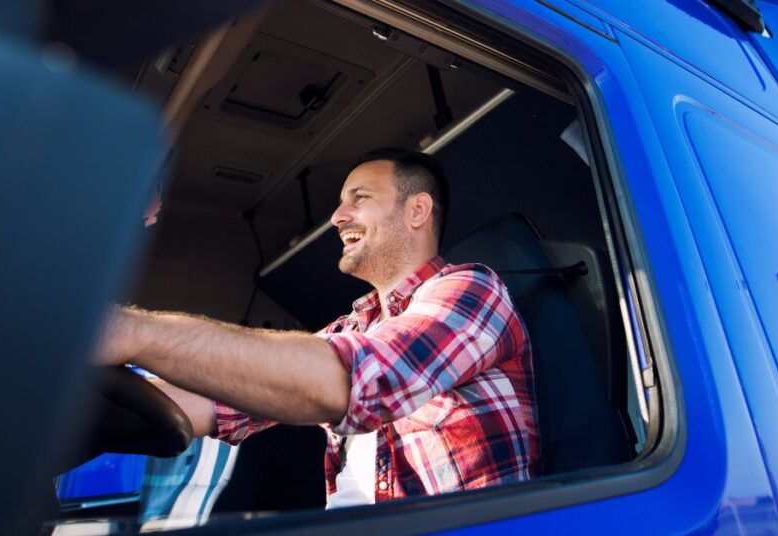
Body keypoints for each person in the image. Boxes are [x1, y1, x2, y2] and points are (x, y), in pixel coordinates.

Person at [94, 148, 538, 506]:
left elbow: (362, 380)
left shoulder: (472, 289)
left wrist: (133, 332)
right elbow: (218, 401)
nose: (337, 216)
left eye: (358, 198)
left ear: (418, 210)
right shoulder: (353, 327)